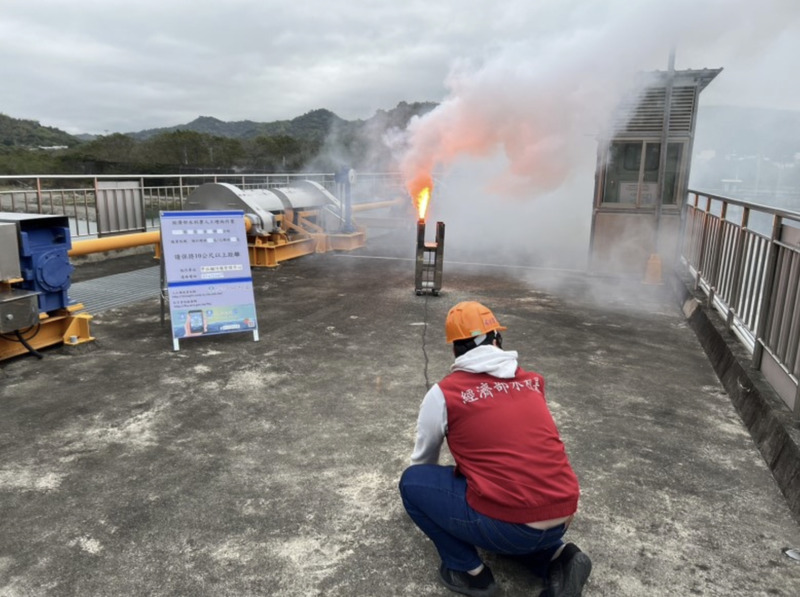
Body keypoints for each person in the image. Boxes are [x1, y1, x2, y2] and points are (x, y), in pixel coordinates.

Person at [399, 301, 591, 597]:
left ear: (454, 350)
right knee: (510, 499)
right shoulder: (532, 382)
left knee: (412, 483)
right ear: (497, 341)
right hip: (563, 512)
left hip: (511, 527)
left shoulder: (445, 393)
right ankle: (560, 557)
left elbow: (424, 463)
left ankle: (470, 573)